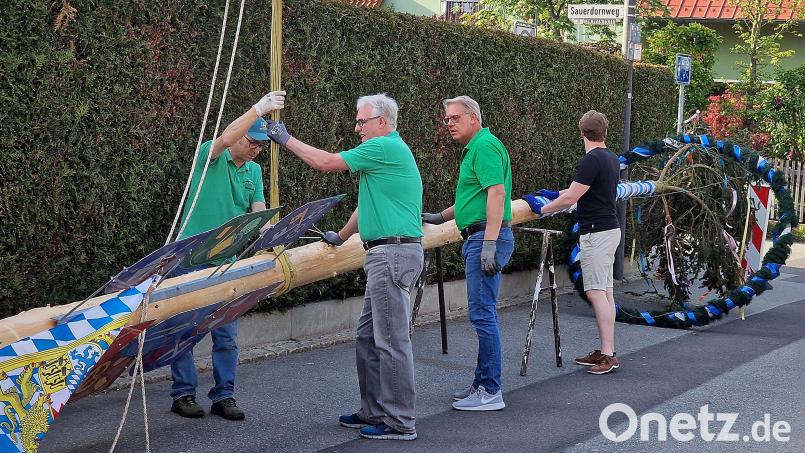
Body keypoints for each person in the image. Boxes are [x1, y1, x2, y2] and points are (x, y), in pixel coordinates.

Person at [265, 93, 423, 441]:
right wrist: (343, 234)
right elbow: (368, 202)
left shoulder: (384, 147)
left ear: (381, 123)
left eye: (361, 122)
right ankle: (374, 410)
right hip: (387, 254)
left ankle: (400, 422)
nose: (356, 128)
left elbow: (326, 163)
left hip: (391, 256)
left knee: (391, 341)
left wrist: (284, 137)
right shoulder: (385, 154)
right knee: (369, 337)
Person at [169, 90, 285, 420]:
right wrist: (258, 108)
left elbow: (258, 208)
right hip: (190, 257)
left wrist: (267, 231)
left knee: (227, 337)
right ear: (239, 137)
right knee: (184, 330)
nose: (257, 149)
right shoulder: (211, 157)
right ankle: (183, 395)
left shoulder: (254, 172)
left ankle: (224, 396)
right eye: (253, 141)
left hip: (227, 262)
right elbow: (225, 137)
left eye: (263, 145)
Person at [422, 96, 514, 411]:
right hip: (481, 237)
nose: (449, 123)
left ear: (473, 117)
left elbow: (497, 193)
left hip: (485, 239)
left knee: (483, 315)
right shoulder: (479, 147)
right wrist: (441, 217)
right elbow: (473, 198)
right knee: (482, 314)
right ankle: (482, 384)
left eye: (455, 117)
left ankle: (490, 391)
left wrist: (489, 243)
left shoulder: (484, 147)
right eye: (446, 118)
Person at [523, 110, 621, 375]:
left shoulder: (590, 160)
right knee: (606, 292)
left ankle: (608, 355)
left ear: (581, 133)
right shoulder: (610, 158)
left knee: (596, 293)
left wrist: (542, 209)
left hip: (596, 233)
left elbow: (571, 199)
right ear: (605, 132)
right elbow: (580, 191)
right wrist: (555, 193)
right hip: (609, 230)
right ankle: (606, 351)